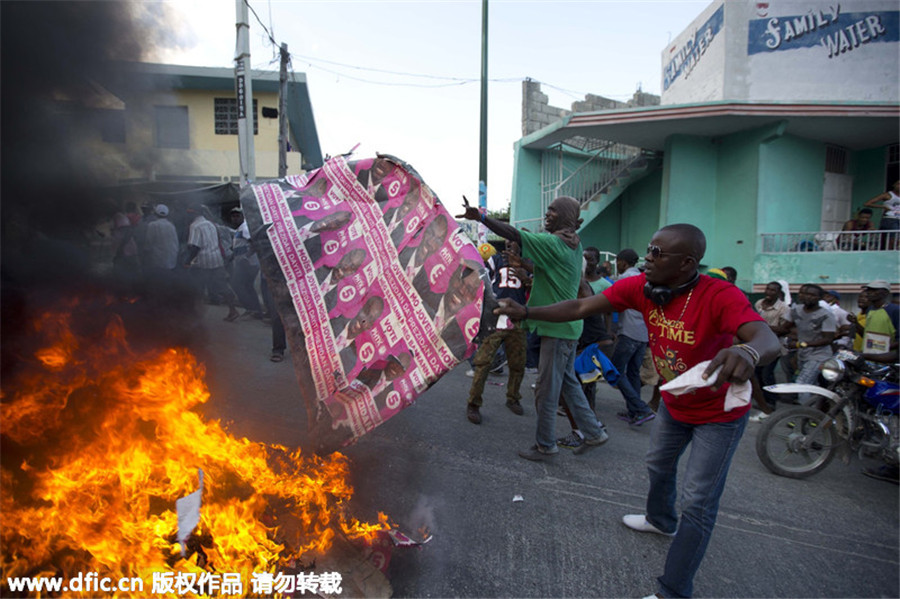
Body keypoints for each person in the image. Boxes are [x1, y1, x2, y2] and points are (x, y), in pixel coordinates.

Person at [495, 223, 780, 599]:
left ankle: (672, 592)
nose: (648, 257)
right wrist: (528, 309)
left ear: (688, 263)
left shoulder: (719, 295)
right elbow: (581, 306)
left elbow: (767, 338)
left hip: (719, 414)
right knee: (658, 465)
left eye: (659, 253)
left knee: (697, 502)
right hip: (676, 405)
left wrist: (747, 351)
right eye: (649, 248)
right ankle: (661, 521)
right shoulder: (642, 289)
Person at [457, 195, 609, 461]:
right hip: (568, 327)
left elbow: (513, 232)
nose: (547, 214)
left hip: (558, 329)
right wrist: (526, 269)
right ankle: (594, 433)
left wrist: (480, 217)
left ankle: (545, 446)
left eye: (552, 211)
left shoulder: (553, 241)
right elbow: (551, 271)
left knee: (546, 392)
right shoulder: (573, 243)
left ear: (564, 217)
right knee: (568, 384)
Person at [465, 241, 528, 424]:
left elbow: (533, 286)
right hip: (496, 317)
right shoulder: (495, 260)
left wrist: (526, 277)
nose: (510, 248)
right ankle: (473, 403)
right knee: (483, 362)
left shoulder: (526, 263)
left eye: (514, 245)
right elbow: (482, 280)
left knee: (518, 363)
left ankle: (513, 397)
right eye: (508, 245)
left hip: (517, 319)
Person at [610, 248, 655, 426]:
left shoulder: (624, 278)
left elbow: (614, 304)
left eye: (617, 262)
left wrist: (611, 328)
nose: (616, 265)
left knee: (615, 371)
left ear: (622, 262)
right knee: (634, 373)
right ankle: (635, 413)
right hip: (642, 333)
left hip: (628, 331)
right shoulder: (644, 278)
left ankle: (641, 408)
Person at [773, 284, 836, 406]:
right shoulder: (796, 310)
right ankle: (816, 413)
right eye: (803, 293)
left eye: (811, 294)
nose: (806, 297)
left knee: (802, 383)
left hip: (819, 355)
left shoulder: (825, 315)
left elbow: (828, 339)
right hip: (803, 354)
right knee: (812, 386)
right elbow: (785, 328)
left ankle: (803, 415)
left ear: (820, 298)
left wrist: (801, 344)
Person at [183, 203, 239, 322]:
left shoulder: (195, 226)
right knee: (222, 286)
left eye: (189, 213)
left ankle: (195, 314)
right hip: (217, 259)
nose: (187, 216)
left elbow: (195, 247)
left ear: (194, 214)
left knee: (196, 287)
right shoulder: (210, 224)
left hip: (203, 261)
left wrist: (187, 262)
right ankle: (233, 310)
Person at [749, 281, 790, 422]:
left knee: (767, 374)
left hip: (774, 347)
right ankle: (763, 401)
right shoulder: (760, 303)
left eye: (773, 290)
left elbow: (784, 329)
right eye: (768, 289)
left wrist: (762, 327)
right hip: (759, 345)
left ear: (778, 293)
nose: (769, 292)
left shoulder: (783, 308)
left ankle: (771, 402)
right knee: (758, 374)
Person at [229, 207, 264, 320]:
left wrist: (246, 256)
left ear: (242, 217)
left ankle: (251, 308)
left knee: (237, 284)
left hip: (248, 263)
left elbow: (254, 243)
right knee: (248, 286)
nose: (234, 218)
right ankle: (255, 311)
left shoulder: (245, 227)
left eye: (237, 216)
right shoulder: (239, 229)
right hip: (244, 262)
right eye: (233, 216)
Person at [142, 204, 179, 281]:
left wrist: (145, 253)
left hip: (157, 260)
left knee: (158, 281)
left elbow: (148, 242)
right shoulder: (171, 225)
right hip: (171, 259)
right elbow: (176, 243)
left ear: (155, 213)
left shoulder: (152, 225)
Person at [864, 180, 900, 249]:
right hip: (890, 218)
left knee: (897, 240)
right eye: (898, 184)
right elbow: (867, 203)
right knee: (892, 239)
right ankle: (889, 253)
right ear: (894, 185)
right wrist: (883, 207)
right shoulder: (887, 195)